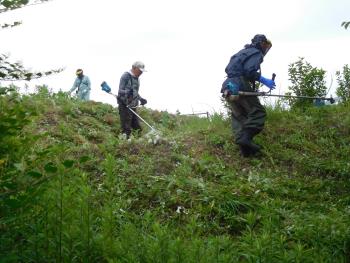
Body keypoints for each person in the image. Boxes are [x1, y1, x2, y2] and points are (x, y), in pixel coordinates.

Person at [221, 34, 276, 157]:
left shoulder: (241, 52)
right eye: (265, 45)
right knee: (258, 112)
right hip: (240, 83)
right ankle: (245, 139)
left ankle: (246, 152)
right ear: (261, 44)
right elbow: (249, 71)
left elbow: (228, 68)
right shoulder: (256, 53)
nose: (266, 49)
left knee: (240, 116)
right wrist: (263, 80)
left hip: (227, 85)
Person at [117, 61, 148, 139]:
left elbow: (135, 92)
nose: (141, 72)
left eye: (142, 71)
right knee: (126, 128)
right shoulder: (125, 76)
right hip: (125, 104)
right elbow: (120, 91)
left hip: (133, 105)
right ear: (134, 68)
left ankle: (138, 144)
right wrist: (128, 92)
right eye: (140, 70)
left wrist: (141, 99)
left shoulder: (137, 79)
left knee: (137, 128)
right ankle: (124, 144)